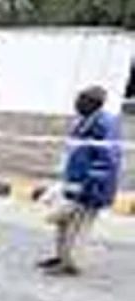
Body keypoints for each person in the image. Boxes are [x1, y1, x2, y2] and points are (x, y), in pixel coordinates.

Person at [39, 86, 123, 276]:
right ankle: (61, 256)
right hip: (74, 184)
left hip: (91, 187)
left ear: (93, 103)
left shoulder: (105, 124)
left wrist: (90, 187)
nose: (77, 104)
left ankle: (71, 264)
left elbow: (107, 160)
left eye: (81, 100)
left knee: (78, 226)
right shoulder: (84, 121)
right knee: (64, 223)